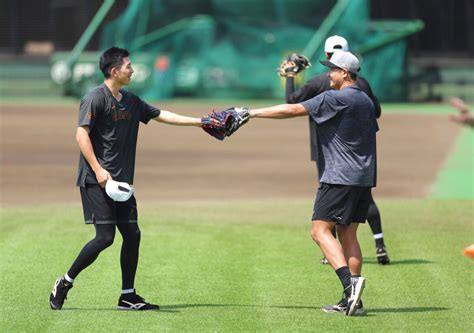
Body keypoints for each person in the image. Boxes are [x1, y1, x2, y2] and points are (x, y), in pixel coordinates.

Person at [49, 47, 207, 311]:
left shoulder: (131, 100)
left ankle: (128, 296)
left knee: (132, 234)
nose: (132, 70)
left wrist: (201, 121)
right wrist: (99, 171)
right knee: (105, 238)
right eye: (128, 66)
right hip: (95, 180)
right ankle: (64, 282)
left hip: (121, 183)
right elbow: (81, 135)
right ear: (115, 71)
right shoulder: (94, 98)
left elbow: (162, 115)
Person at [235, 51, 376, 315]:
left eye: (332, 70)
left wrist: (250, 113)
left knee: (319, 231)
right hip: (363, 176)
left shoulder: (336, 97)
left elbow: (292, 108)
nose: (328, 75)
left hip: (338, 177)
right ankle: (353, 302)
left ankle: (350, 287)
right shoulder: (365, 100)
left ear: (345, 73)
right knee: (348, 234)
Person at [281, 35, 390, 265]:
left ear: (330, 57)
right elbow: (377, 111)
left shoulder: (320, 82)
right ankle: (379, 243)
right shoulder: (362, 85)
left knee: (328, 206)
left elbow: (291, 102)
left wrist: (291, 75)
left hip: (329, 151)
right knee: (362, 202)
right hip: (363, 153)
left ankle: (330, 252)